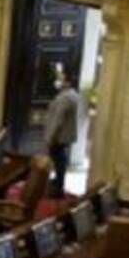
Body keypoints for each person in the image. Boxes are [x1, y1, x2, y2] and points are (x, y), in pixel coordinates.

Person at [43, 68, 83, 196]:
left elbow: (58, 120)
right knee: (60, 159)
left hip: (59, 136)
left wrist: (50, 137)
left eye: (61, 79)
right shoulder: (73, 95)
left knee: (58, 160)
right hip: (64, 135)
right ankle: (58, 183)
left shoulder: (66, 98)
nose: (59, 81)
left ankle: (58, 187)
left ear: (68, 82)